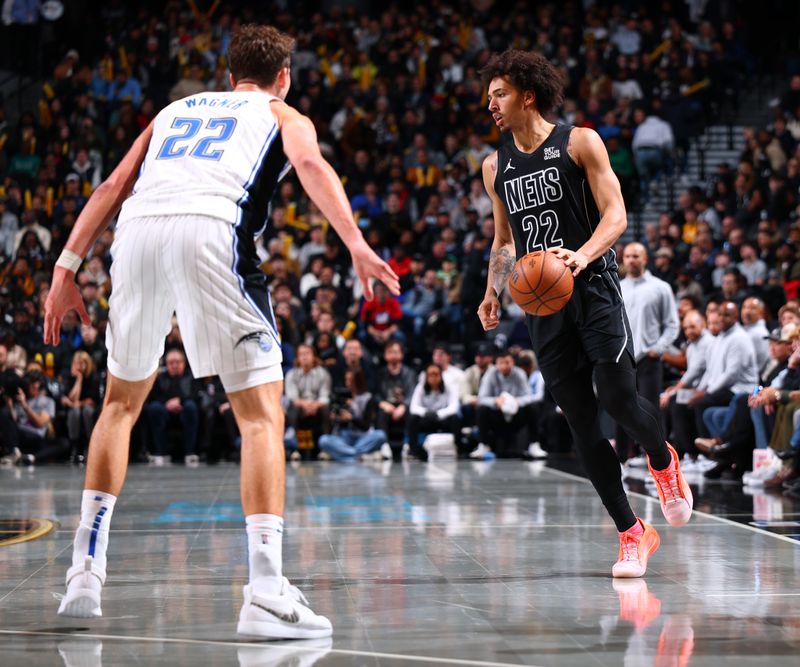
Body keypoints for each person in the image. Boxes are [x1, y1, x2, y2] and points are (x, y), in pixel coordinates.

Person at [44, 24, 399, 639]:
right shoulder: (281, 112)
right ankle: (264, 589)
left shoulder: (173, 110)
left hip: (137, 233)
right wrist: (357, 244)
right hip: (212, 228)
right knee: (260, 416)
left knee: (119, 406)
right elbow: (310, 164)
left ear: (226, 73)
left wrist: (64, 269)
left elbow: (112, 184)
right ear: (283, 76)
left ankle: (84, 573)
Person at [476, 49, 692, 579]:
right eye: (487, 99)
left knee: (617, 397)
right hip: (541, 305)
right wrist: (492, 292)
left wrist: (583, 254)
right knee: (578, 420)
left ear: (528, 93)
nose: (492, 106)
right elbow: (504, 240)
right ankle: (632, 533)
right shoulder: (494, 165)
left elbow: (617, 213)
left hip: (592, 286)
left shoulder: (580, 141)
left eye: (499, 94)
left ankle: (662, 460)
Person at [618, 242, 679, 464]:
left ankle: (655, 458)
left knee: (650, 409)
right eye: (627, 256)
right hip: (623, 357)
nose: (631, 260)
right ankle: (622, 458)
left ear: (645, 258)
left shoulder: (660, 287)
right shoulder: (618, 287)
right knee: (621, 407)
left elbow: (672, 324)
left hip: (649, 358)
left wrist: (658, 349)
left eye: (636, 256)